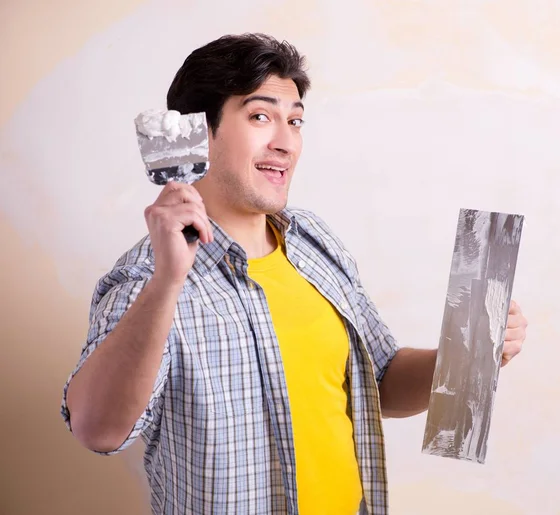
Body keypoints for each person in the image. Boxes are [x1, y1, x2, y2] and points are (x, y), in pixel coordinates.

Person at [61, 33, 528, 515]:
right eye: (261, 116)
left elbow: (382, 380)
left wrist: (467, 356)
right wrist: (167, 282)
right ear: (198, 134)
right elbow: (96, 431)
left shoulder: (313, 241)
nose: (285, 143)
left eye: (296, 121)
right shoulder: (147, 278)